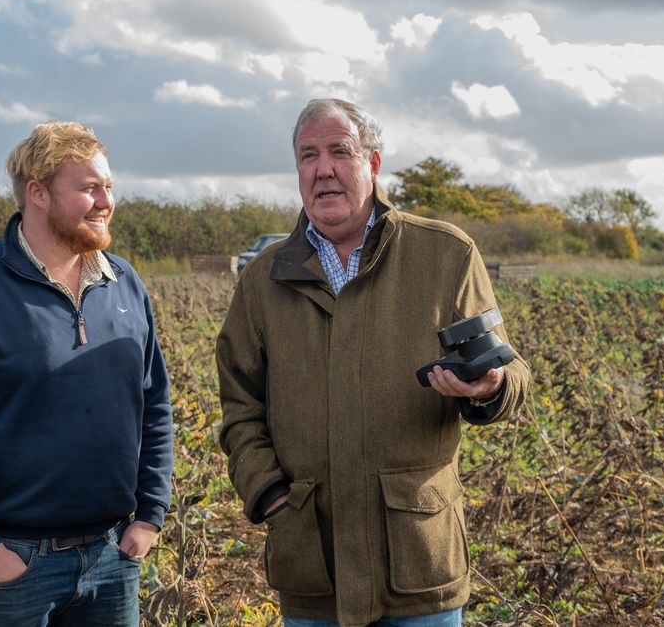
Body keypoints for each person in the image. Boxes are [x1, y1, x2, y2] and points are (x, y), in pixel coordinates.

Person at [217, 98, 532, 627]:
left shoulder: (445, 254)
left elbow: (513, 370)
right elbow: (238, 405)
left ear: (373, 163)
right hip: (311, 561)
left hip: (417, 559)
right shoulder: (262, 279)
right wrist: (270, 494)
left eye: (340, 151)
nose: (323, 170)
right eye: (307, 155)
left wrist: (490, 386)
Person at [0, 121, 173, 626]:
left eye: (108, 186)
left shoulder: (123, 281)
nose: (105, 201)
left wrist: (150, 516)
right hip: (14, 564)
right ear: (38, 193)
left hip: (113, 559)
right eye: (89, 188)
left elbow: (154, 404)